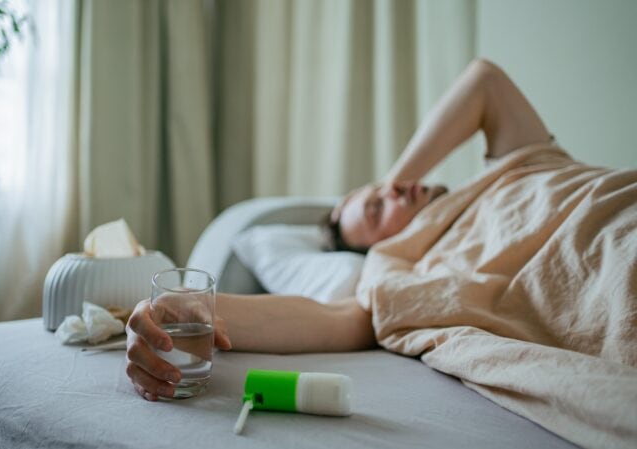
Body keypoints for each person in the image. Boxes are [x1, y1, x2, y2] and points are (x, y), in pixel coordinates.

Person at [125, 59, 556, 401]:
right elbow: (328, 318)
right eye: (377, 210)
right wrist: (178, 308)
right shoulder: (402, 273)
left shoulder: (512, 168)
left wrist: (390, 183)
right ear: (382, 248)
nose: (393, 191)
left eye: (378, 192)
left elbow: (485, 81)